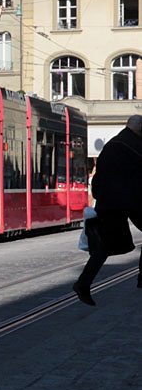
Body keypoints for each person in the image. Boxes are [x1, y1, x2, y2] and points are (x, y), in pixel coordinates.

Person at [73, 115, 142, 306]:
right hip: (124, 201)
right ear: (138, 128)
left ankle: (83, 283)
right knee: (105, 246)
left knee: (104, 247)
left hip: (112, 202)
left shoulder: (115, 143)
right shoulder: (132, 145)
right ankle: (83, 283)